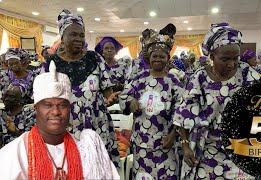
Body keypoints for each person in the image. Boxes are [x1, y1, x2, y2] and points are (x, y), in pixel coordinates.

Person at [0, 61, 119, 179]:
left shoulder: (86, 152)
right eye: (47, 105)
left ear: (70, 109)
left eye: (62, 105)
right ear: (36, 109)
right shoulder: (14, 154)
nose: (56, 112)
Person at [173, 22, 261, 179]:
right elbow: (182, 116)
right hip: (206, 151)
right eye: (225, 59)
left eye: (236, 58)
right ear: (212, 57)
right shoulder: (199, 78)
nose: (232, 64)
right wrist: (185, 146)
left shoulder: (248, 75)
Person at [43, 9, 120, 167]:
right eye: (73, 34)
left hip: (96, 124)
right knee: (70, 167)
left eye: (81, 35)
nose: (79, 39)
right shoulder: (51, 63)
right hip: (65, 125)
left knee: (95, 169)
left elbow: (108, 93)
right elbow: (43, 101)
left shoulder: (95, 58)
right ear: (62, 37)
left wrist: (111, 99)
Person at [119, 27, 183, 179]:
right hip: (142, 143)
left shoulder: (174, 82)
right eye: (155, 56)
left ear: (168, 58)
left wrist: (173, 135)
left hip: (166, 143)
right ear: (149, 58)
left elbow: (182, 112)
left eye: (162, 57)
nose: (158, 59)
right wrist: (131, 101)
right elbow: (123, 97)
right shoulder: (139, 78)